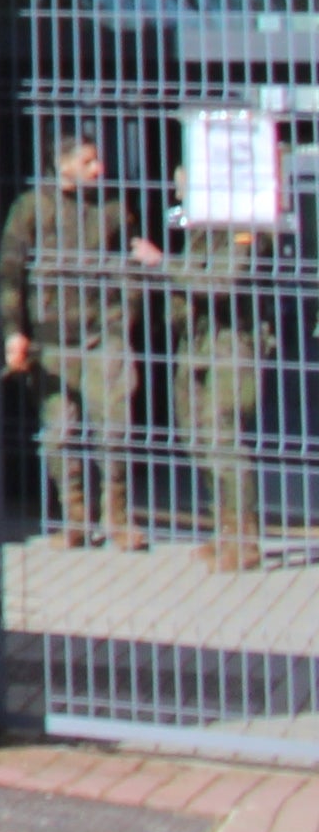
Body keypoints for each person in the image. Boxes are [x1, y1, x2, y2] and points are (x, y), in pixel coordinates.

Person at [0, 132, 158, 550]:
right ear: (64, 165)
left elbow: (129, 267)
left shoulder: (111, 209)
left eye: (97, 161)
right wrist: (13, 331)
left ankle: (118, 517)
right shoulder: (32, 208)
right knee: (60, 430)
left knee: (115, 427)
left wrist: (123, 320)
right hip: (51, 339)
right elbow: (9, 273)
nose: (99, 169)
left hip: (103, 332)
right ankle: (74, 518)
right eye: (88, 162)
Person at [170, 203, 279, 575]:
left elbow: (219, 283)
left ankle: (244, 539)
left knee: (224, 440)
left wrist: (161, 264)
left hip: (232, 347)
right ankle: (224, 529)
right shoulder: (201, 226)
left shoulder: (244, 226)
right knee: (197, 438)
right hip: (196, 346)